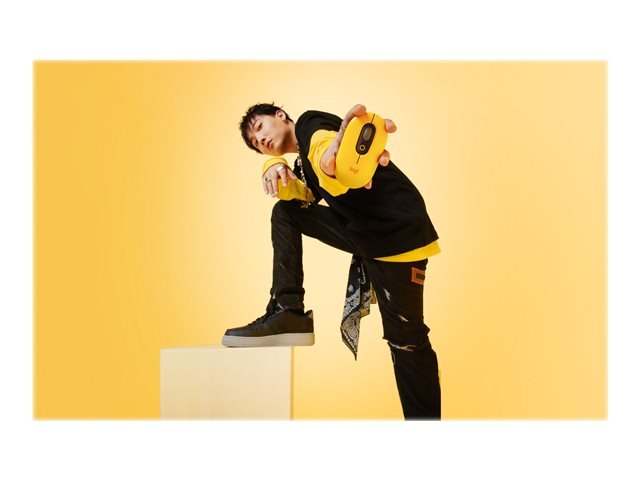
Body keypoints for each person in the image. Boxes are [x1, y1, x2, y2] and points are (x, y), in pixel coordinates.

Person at [222, 102, 442, 419]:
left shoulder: (309, 125)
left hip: (398, 235)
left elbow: (324, 150)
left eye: (260, 128)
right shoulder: (303, 164)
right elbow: (303, 196)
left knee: (407, 343)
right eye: (257, 145)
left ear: (280, 116)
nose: (262, 141)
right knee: (286, 212)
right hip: (371, 236)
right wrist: (272, 166)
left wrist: (332, 163)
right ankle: (288, 311)